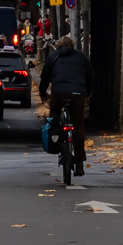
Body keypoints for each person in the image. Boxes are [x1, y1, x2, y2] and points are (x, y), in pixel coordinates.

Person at [39, 35, 93, 176]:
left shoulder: (53, 57)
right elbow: (91, 75)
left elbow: (45, 77)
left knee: (54, 118)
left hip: (58, 93)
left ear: (58, 45)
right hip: (77, 94)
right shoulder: (81, 57)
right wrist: (87, 92)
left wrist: (42, 92)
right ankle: (80, 164)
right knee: (79, 128)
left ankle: (58, 143)